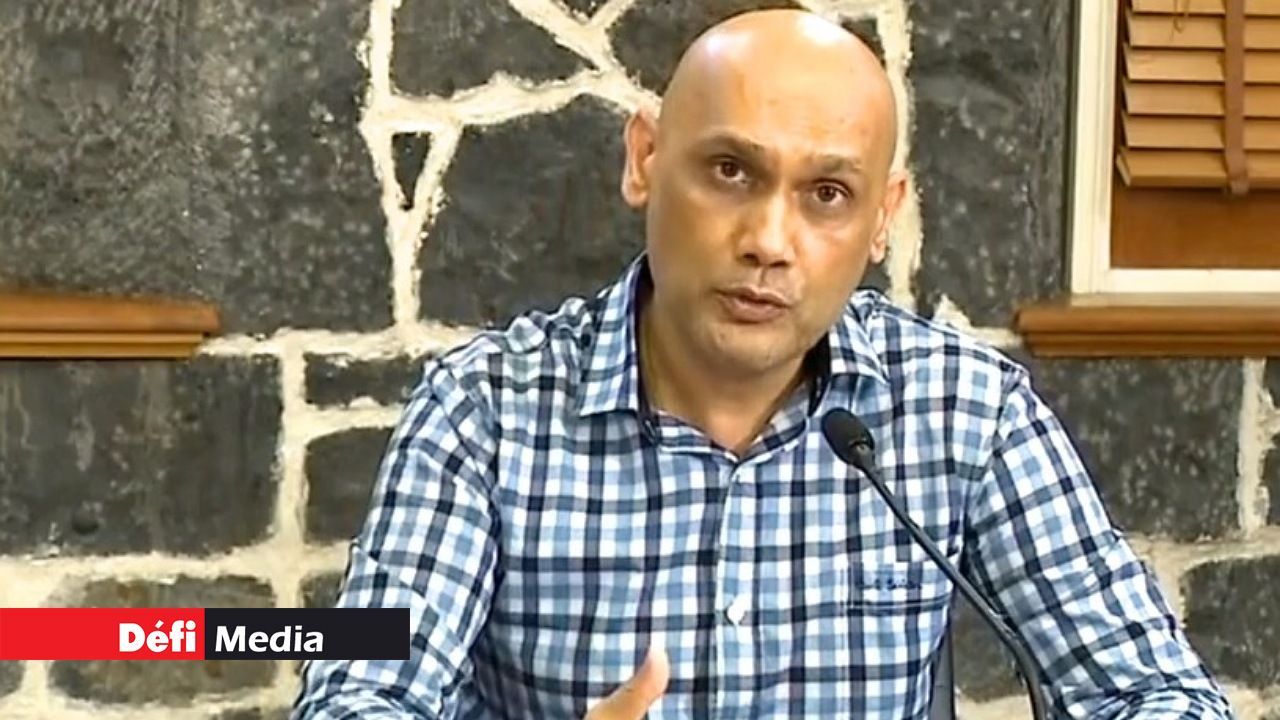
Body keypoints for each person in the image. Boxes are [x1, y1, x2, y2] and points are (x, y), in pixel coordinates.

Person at [293, 9, 1234, 719]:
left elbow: (1153, 692)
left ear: (881, 219)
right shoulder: (481, 412)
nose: (769, 242)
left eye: (827, 194)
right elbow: (358, 694)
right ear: (644, 160)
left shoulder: (964, 410)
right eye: (731, 172)